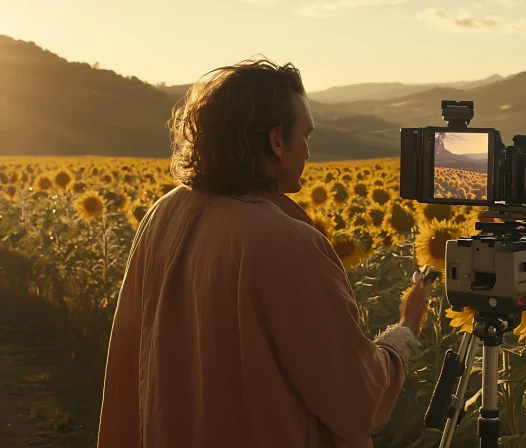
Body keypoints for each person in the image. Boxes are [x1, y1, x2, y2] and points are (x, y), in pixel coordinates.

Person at [96, 56, 435, 448]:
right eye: (305, 135)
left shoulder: (165, 213)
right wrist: (405, 330)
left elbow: (129, 355)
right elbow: (356, 399)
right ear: (276, 141)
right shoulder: (287, 242)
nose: (308, 151)